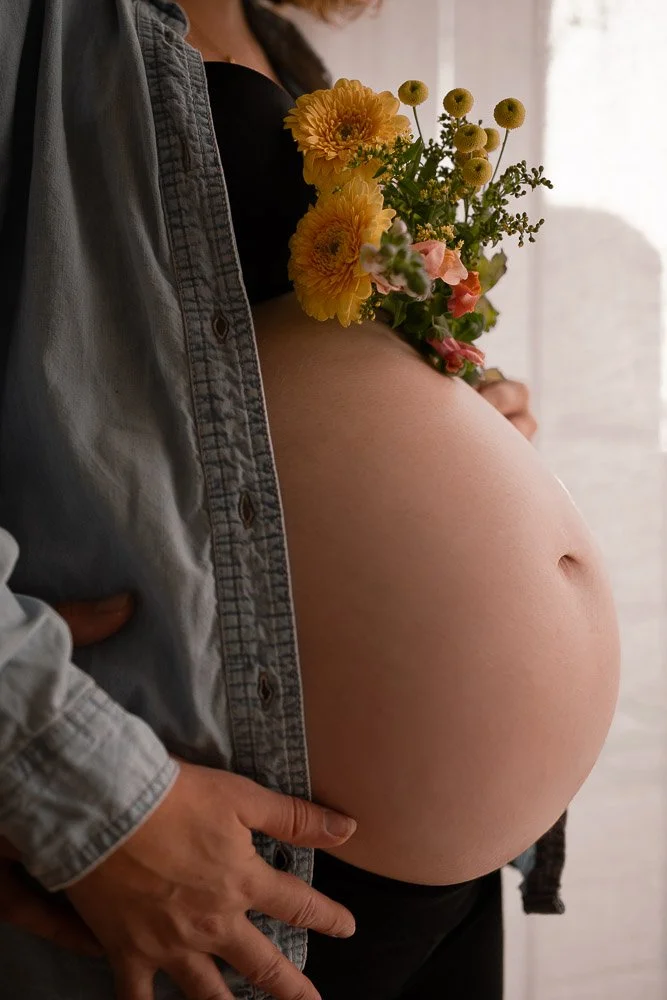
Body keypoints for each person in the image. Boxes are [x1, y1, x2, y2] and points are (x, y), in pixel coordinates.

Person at [0, 1, 619, 999]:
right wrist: (80, 783)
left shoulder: (276, 45)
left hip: (443, 875)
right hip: (201, 847)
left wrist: (448, 392)